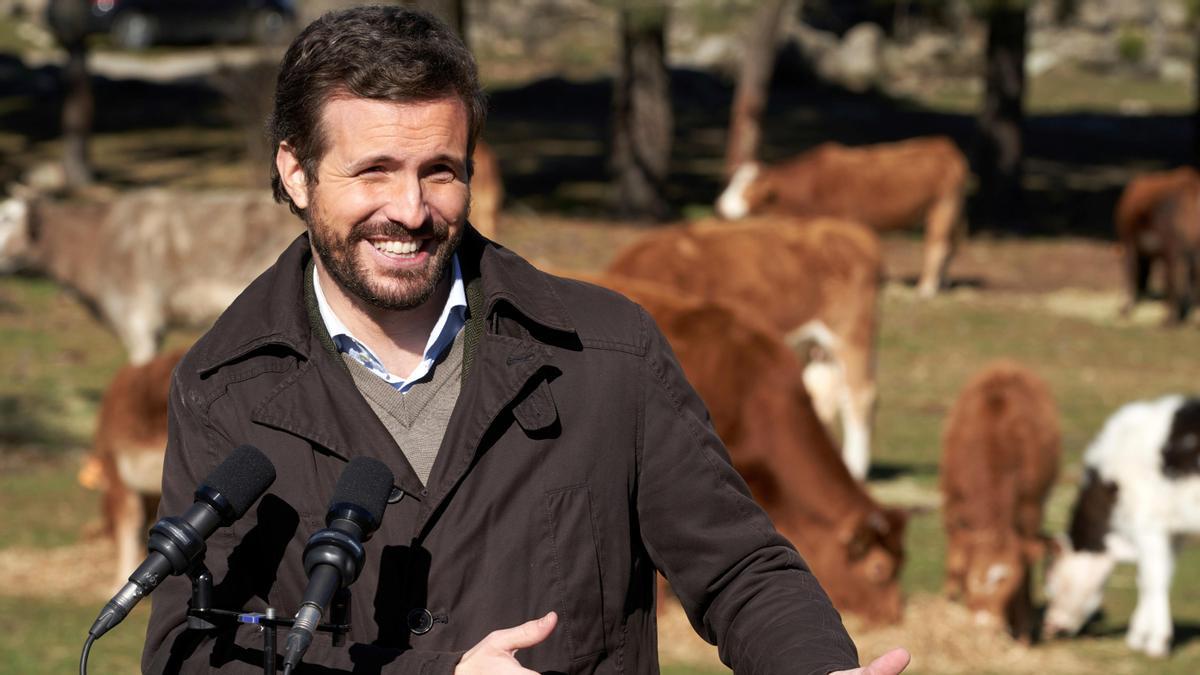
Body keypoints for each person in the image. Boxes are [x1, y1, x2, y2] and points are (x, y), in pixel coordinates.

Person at [142, 6, 910, 675]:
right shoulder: (222, 388)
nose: (410, 209)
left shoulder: (607, 352)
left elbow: (741, 566)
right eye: (373, 171)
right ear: (297, 172)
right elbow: (189, 649)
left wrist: (816, 664)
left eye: (439, 172)